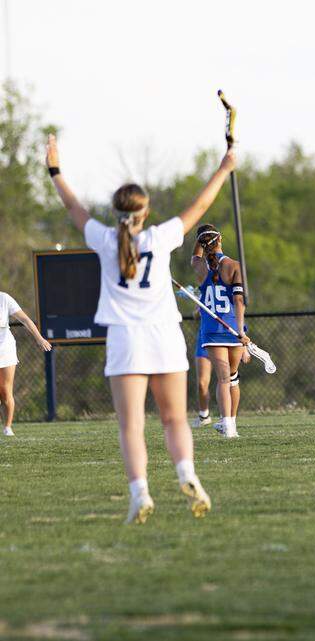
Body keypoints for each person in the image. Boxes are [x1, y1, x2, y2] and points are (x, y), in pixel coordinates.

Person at [47, 133, 234, 524]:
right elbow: (201, 205)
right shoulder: (160, 236)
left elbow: (72, 205)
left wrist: (55, 169)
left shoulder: (103, 238)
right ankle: (187, 475)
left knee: (131, 425)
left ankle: (141, 493)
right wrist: (224, 166)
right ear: (145, 212)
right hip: (163, 334)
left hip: (125, 338)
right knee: (175, 420)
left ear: (117, 212)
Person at [191, 224, 249, 438]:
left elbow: (195, 254)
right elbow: (239, 301)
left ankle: (228, 426)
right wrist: (241, 331)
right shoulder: (234, 265)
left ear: (202, 244)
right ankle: (230, 424)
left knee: (224, 379)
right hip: (233, 329)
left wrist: (200, 240)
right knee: (232, 378)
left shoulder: (198, 266)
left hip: (211, 331)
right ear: (220, 240)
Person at [0, 292, 53, 435]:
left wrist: (39, 339)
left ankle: (7, 427)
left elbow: (25, 320)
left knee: (5, 391)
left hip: (5, 349)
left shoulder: (4, 298)